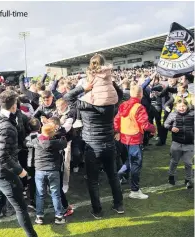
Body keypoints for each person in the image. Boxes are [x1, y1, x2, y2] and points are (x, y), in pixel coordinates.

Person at [64, 74, 124, 219]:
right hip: (109, 144)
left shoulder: (86, 105)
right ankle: (119, 205)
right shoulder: (112, 105)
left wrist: (83, 87)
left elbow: (68, 97)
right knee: (113, 176)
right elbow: (120, 94)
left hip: (92, 146)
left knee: (93, 180)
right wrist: (110, 84)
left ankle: (97, 210)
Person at [0, 90, 37, 237]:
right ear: (14, 105)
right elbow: (2, 155)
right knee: (21, 208)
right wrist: (20, 171)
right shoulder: (6, 127)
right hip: (5, 173)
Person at [114, 85, 156, 199]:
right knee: (136, 164)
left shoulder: (123, 105)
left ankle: (118, 175)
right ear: (141, 94)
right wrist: (153, 129)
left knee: (129, 160)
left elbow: (116, 120)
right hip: (135, 138)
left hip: (124, 138)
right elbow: (145, 124)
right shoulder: (139, 107)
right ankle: (135, 190)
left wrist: (117, 131)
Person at [26, 123, 67, 225]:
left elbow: (26, 143)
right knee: (55, 194)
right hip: (53, 171)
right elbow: (64, 141)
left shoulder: (36, 141)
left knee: (40, 194)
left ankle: (39, 216)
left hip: (40, 171)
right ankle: (58, 217)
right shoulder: (57, 142)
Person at [164, 99, 194, 189]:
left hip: (189, 144)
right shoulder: (173, 114)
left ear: (187, 106)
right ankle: (171, 176)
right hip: (176, 143)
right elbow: (165, 124)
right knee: (174, 161)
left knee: (188, 163)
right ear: (176, 107)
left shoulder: (192, 114)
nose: (182, 108)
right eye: (179, 106)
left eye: (183, 106)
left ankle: (188, 180)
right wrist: (171, 128)